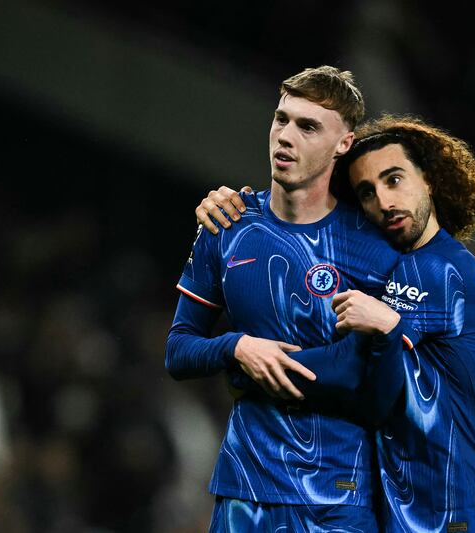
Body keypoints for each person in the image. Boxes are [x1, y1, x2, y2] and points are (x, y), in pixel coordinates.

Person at [196, 115, 475, 532]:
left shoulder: (436, 269)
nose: (384, 201)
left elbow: (353, 369)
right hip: (428, 511)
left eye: (394, 179)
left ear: (429, 180)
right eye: (367, 192)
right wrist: (246, 206)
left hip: (457, 512)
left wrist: (244, 362)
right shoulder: (416, 264)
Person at [164, 66, 407, 532]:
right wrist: (236, 346)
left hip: (337, 496)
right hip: (245, 488)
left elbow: (367, 375)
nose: (286, 137)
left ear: (344, 144)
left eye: (308, 126)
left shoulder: (376, 246)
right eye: (282, 119)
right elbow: (178, 349)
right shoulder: (226, 226)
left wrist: (252, 370)